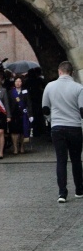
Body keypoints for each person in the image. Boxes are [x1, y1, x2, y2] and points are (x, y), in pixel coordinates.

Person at [42, 61, 83, 203]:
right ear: (71, 72)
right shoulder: (79, 88)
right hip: (74, 127)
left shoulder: (49, 86)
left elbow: (45, 109)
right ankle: (79, 189)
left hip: (57, 127)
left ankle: (62, 193)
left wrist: (52, 119)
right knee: (76, 159)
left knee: (61, 160)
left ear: (59, 71)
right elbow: (82, 110)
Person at [9, 76, 33, 154]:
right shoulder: (11, 92)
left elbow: (29, 103)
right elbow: (8, 104)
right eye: (16, 81)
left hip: (23, 114)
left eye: (19, 81)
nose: (18, 83)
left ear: (22, 83)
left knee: (22, 131)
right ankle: (15, 147)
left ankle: (22, 146)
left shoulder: (25, 91)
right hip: (14, 114)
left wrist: (30, 114)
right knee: (14, 132)